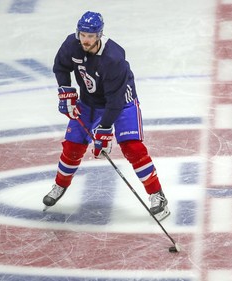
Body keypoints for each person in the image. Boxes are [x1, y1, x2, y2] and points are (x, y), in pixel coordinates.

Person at [43, 11, 170, 221]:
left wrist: (104, 130)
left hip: (122, 103)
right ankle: (60, 185)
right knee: (73, 145)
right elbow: (61, 67)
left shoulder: (113, 59)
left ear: (99, 35)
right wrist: (66, 91)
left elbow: (115, 101)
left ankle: (157, 195)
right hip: (88, 101)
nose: (85, 39)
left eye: (90, 36)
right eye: (83, 34)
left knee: (133, 147)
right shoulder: (71, 44)